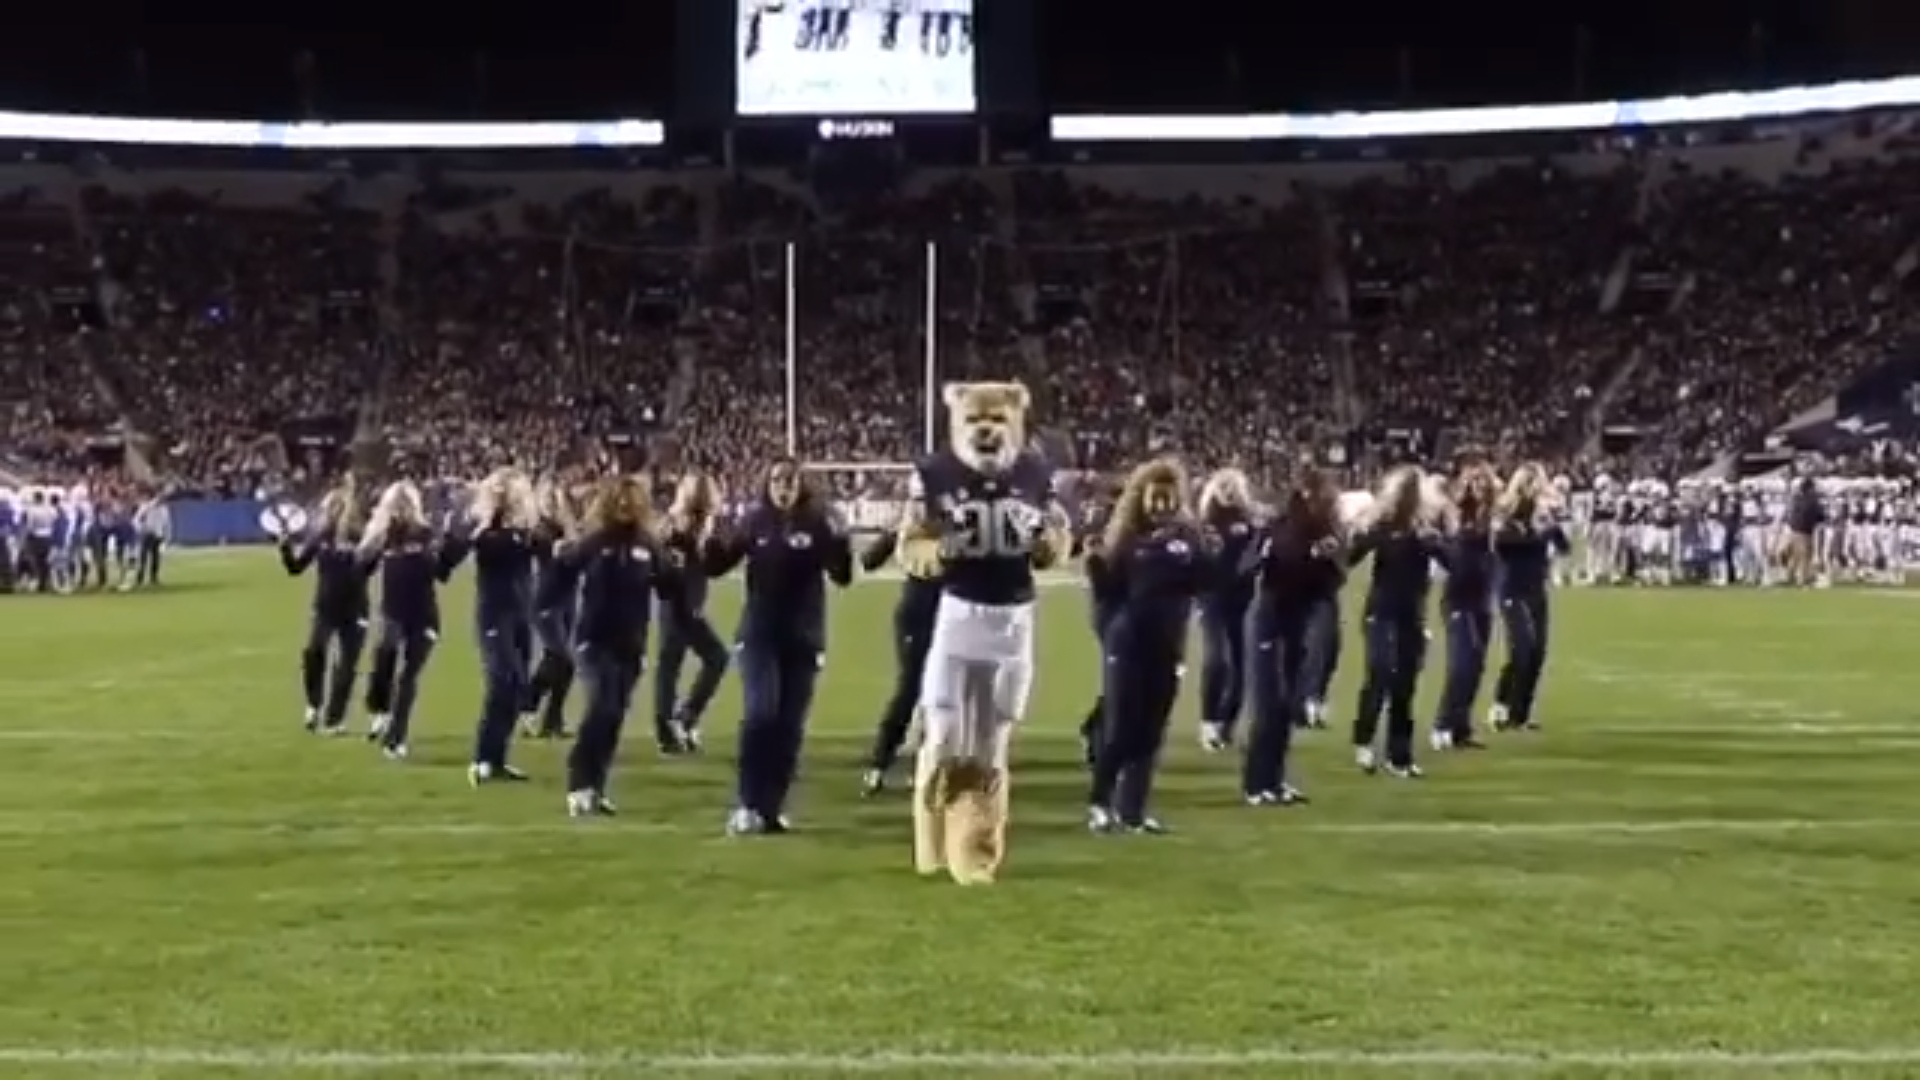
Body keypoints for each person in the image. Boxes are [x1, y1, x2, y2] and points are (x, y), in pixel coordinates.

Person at [896, 381, 1070, 884]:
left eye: (997, 419)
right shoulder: (933, 473)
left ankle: (976, 853)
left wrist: (1044, 546)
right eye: (976, 420)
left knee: (992, 743)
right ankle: (930, 843)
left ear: (1015, 420)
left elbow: (1060, 541)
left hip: (1014, 619)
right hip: (959, 614)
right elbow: (911, 546)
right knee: (945, 735)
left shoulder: (1036, 471)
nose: (987, 430)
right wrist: (941, 553)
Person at [705, 458, 853, 835]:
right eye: (776, 480)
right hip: (759, 635)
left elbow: (842, 577)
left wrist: (840, 540)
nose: (783, 486)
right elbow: (718, 566)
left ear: (802, 485)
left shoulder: (818, 522)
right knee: (760, 715)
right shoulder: (754, 521)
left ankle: (771, 808)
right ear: (767, 484)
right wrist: (710, 536)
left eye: (790, 480)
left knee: (789, 727)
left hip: (803, 638)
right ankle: (747, 802)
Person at [1086, 458, 1217, 834]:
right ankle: (1099, 802)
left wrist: (1213, 553)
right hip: (1127, 642)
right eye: (1155, 498)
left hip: (1168, 643)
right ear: (1140, 497)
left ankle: (1133, 809)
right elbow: (1108, 594)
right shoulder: (1124, 537)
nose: (1161, 506)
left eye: (1168, 498)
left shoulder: (1188, 538)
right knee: (1120, 727)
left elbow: (1207, 582)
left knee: (1151, 730)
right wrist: (1096, 569)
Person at [561, 475, 685, 817]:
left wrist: (677, 570)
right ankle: (579, 781)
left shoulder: (649, 545)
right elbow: (564, 570)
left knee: (614, 716)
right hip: (593, 639)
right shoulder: (596, 541)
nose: (626, 505)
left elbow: (668, 588)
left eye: (632, 500)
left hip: (631, 644)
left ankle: (595, 788)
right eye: (619, 500)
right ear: (609, 503)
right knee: (602, 705)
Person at [1239, 468, 1344, 807]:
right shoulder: (1280, 528)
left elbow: (1331, 582)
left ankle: (1275, 780)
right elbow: (1263, 565)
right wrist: (1312, 556)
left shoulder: (1325, 532)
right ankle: (1257, 784)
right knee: (1270, 706)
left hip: (1296, 623)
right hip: (1268, 623)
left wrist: (1329, 560)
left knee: (1285, 708)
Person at [1347, 465, 1451, 779]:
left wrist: (1436, 542)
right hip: (1381, 611)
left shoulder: (1427, 530)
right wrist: (1357, 538)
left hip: (1412, 614)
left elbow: (1453, 562)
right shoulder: (1383, 526)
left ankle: (1399, 754)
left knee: (1405, 684)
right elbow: (1349, 558)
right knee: (1379, 672)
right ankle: (1364, 739)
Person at [359, 481, 464, 760]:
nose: (402, 509)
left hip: (423, 616)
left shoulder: (426, 534)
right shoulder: (384, 537)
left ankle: (396, 737)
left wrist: (452, 543)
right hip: (392, 614)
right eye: (397, 504)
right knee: (384, 662)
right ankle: (380, 712)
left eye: (406, 503)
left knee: (407, 677)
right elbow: (362, 567)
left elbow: (442, 572)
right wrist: (374, 540)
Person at [459, 468, 542, 785]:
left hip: (521, 616)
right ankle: (482, 758)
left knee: (516, 686)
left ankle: (497, 760)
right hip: (495, 616)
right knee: (503, 683)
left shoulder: (526, 532)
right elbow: (462, 550)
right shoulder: (487, 534)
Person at [277, 482, 372, 736]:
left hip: (355, 609)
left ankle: (335, 718)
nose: (332, 512)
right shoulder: (320, 538)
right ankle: (313, 704)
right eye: (331, 507)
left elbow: (369, 569)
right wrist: (285, 548)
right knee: (313, 653)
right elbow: (296, 568)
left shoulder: (360, 538)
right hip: (325, 607)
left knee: (346, 666)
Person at [857, 524, 941, 796]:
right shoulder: (914, 522)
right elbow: (869, 560)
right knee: (910, 688)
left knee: (949, 693)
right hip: (919, 612)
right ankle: (880, 762)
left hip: (954, 613)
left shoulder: (962, 519)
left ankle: (936, 763)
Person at [654, 471, 731, 755]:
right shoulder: (681, 529)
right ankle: (677, 723)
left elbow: (713, 567)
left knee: (674, 665)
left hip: (681, 604)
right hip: (682, 605)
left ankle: (677, 723)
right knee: (707, 659)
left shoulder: (685, 527)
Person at [1490, 463, 1571, 733]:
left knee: (1537, 653)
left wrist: (1553, 524)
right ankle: (1500, 704)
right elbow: (1504, 546)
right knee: (1521, 650)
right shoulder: (1505, 513)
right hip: (1512, 588)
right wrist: (1539, 533)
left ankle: (1520, 713)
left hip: (1536, 588)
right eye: (1535, 483)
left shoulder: (1541, 516)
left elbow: (1564, 548)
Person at [1432, 465, 1498, 751]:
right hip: (1459, 597)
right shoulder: (1457, 514)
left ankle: (1461, 727)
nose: (1480, 487)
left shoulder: (1488, 517)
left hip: (1480, 597)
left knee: (1476, 665)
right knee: (1463, 662)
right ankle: (1442, 723)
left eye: (1483, 482)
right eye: (1474, 482)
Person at [1195, 468, 1259, 752]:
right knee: (1218, 660)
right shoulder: (1205, 521)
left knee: (1242, 668)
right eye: (1223, 485)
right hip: (1212, 598)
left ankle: (1227, 725)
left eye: (1233, 486)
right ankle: (1208, 722)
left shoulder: (1250, 521)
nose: (1228, 491)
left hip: (1242, 599)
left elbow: (1258, 555)